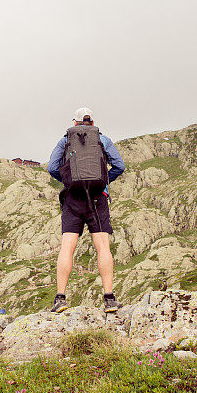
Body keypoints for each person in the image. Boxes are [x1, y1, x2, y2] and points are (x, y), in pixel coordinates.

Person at [47, 107, 125, 313]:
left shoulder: (65, 141)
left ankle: (60, 299)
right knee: (102, 247)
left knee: (67, 247)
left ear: (75, 123)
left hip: (73, 198)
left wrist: (68, 182)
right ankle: (109, 299)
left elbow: (52, 167)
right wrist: (104, 182)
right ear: (92, 122)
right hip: (98, 197)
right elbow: (119, 166)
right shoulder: (103, 139)